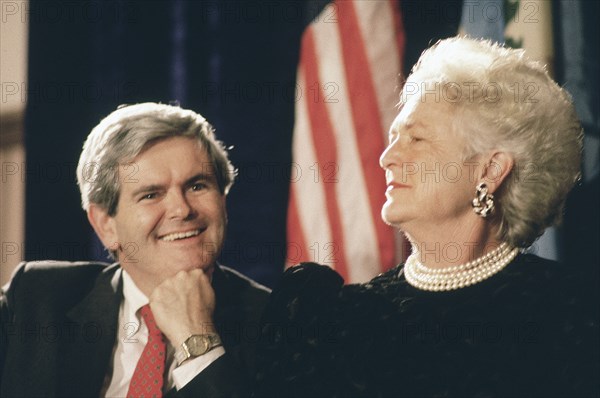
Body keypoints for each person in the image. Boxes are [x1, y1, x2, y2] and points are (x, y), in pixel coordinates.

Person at [255, 37, 599, 397]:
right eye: (393, 137)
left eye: (416, 139)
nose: (387, 157)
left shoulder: (571, 314)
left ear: (491, 170)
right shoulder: (334, 319)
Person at [0, 103, 270, 397]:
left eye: (197, 186)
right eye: (151, 194)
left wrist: (196, 339)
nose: (181, 209)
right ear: (106, 225)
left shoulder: (280, 322)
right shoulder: (35, 299)